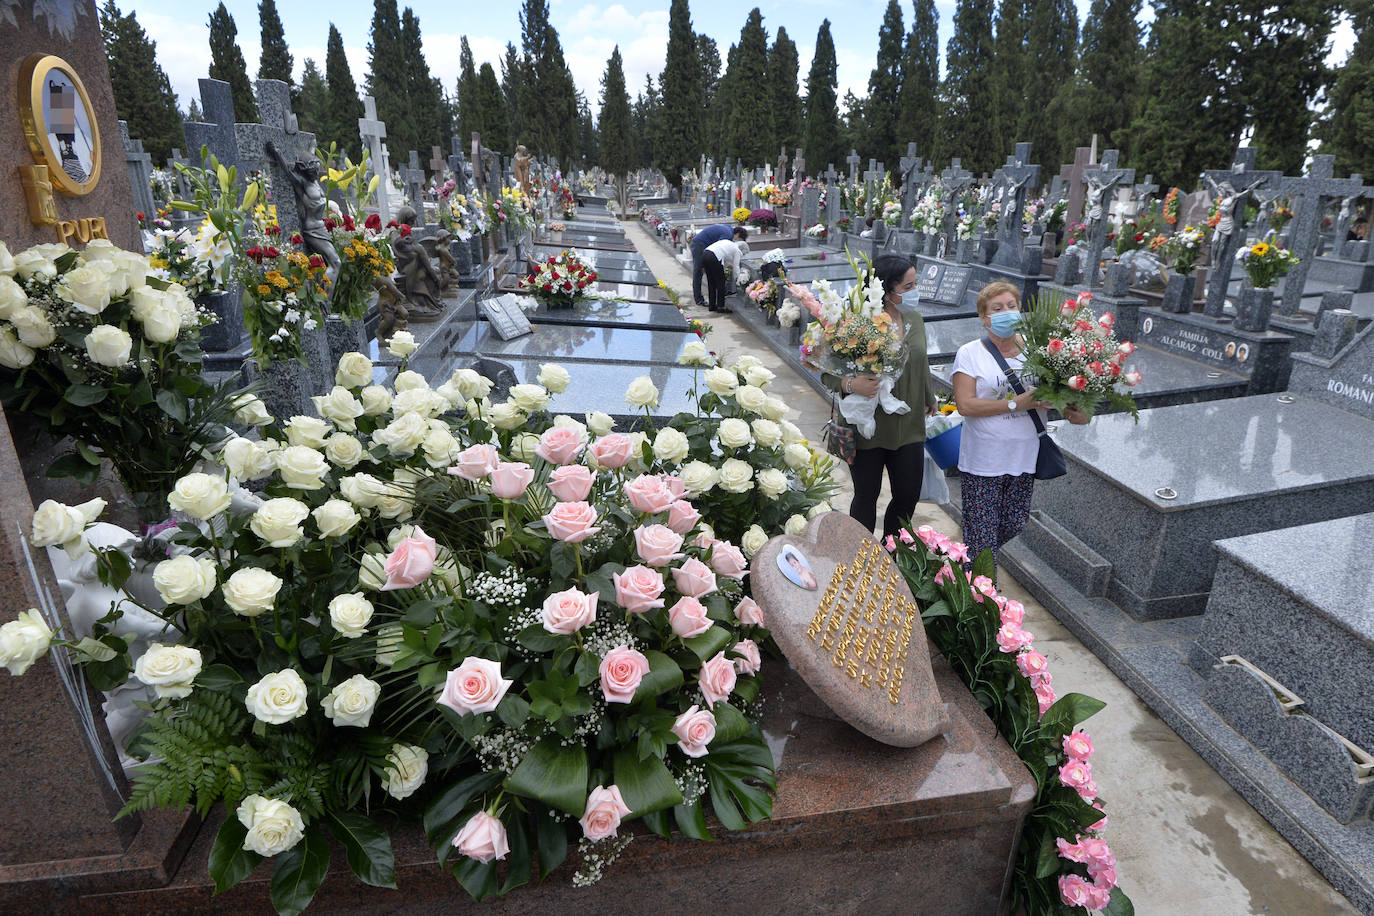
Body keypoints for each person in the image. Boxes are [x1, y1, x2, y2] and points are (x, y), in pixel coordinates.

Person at [951, 281, 1089, 570]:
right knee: (982, 539)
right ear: (984, 318)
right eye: (997, 309)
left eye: (1011, 306)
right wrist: (1016, 403)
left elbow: (1065, 398)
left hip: (1024, 458)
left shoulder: (1041, 352)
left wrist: (1068, 404)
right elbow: (965, 405)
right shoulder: (970, 353)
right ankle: (984, 603)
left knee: (1014, 523)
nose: (1006, 313)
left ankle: (963, 564)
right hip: (984, 460)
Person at [823, 254, 938, 539]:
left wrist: (929, 396)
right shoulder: (855, 321)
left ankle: (893, 563)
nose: (915, 292)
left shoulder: (914, 318)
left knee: (907, 496)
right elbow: (825, 371)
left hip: (909, 423)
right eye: (908, 287)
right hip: (867, 428)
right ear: (886, 291)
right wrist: (851, 384)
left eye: (915, 284)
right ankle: (862, 560)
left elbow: (920, 362)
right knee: (866, 497)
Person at [690, 224, 749, 306]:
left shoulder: (729, 229)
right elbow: (719, 252)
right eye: (739, 239)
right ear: (738, 234)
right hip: (699, 245)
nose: (737, 241)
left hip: (705, 248)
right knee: (699, 272)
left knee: (711, 274)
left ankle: (721, 293)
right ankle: (699, 299)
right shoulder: (728, 235)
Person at [702, 234, 749, 313]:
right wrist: (737, 279)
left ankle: (712, 305)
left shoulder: (729, 243)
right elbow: (736, 267)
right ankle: (721, 306)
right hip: (714, 257)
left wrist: (728, 267)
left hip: (705, 254)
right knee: (721, 283)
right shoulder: (737, 250)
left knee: (711, 282)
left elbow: (724, 260)